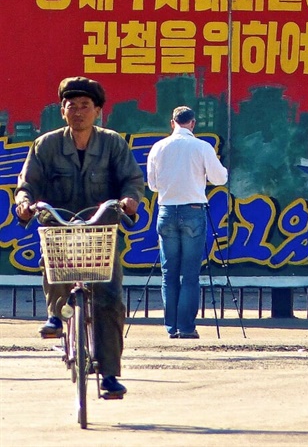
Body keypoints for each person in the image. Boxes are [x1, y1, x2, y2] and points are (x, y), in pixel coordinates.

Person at [14, 76, 145, 397]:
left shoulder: (113, 143)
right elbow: (27, 184)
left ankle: (110, 375)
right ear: (62, 111)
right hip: (60, 227)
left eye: (85, 106)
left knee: (110, 300)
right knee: (53, 258)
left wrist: (130, 200)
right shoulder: (45, 145)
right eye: (71, 106)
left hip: (101, 229)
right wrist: (24, 203)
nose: (78, 112)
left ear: (98, 111)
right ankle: (57, 315)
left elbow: (132, 180)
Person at [147, 106, 228, 339]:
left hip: (165, 210)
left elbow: (152, 185)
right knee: (190, 274)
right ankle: (187, 327)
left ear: (172, 123)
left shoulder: (158, 147)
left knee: (168, 273)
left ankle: (171, 327)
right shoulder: (202, 147)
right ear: (192, 123)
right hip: (193, 210)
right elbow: (219, 178)